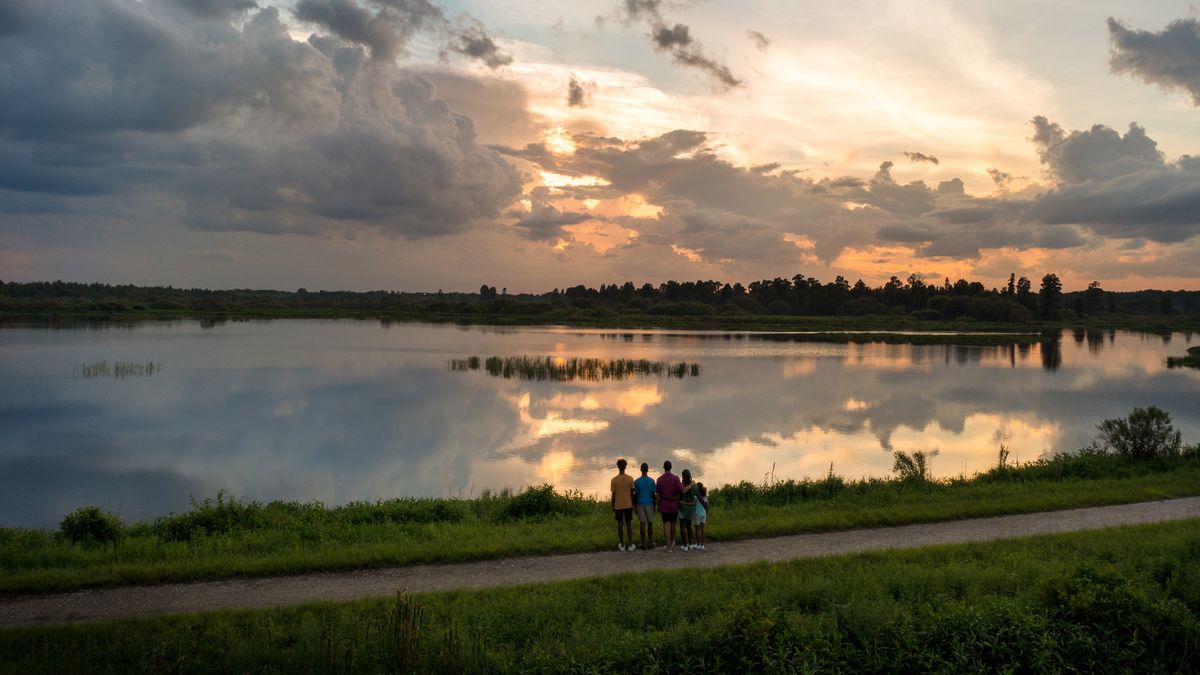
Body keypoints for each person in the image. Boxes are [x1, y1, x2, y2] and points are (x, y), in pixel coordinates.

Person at [655, 460, 683, 548]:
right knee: (673, 524)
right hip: (674, 505)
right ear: (671, 467)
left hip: (664, 505)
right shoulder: (676, 478)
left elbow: (658, 494)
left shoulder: (659, 479)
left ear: (664, 468)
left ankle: (667, 544)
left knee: (666, 525)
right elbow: (681, 490)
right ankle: (672, 541)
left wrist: (658, 505)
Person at [610, 458, 636, 551]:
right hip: (628, 505)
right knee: (629, 524)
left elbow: (613, 496)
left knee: (620, 524)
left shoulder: (614, 480)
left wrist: (613, 506)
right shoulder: (630, 479)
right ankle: (630, 544)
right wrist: (633, 504)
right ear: (625, 467)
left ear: (618, 467)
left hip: (618, 506)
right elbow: (632, 493)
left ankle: (622, 544)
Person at [633, 462, 657, 549]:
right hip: (649, 504)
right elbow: (653, 495)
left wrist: (635, 506)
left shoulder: (636, 481)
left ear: (640, 470)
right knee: (650, 524)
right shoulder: (651, 481)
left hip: (640, 504)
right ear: (647, 470)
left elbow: (636, 495)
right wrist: (654, 506)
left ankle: (643, 543)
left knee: (642, 524)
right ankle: (650, 543)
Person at [678, 469, 696, 550]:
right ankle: (690, 544)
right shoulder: (694, 486)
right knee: (689, 526)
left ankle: (685, 545)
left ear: (683, 476)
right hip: (690, 509)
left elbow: (678, 496)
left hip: (682, 509)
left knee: (683, 526)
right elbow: (698, 497)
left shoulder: (681, 485)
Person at [692, 482, 707, 550]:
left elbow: (693, 504)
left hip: (697, 514)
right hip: (704, 514)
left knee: (697, 530)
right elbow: (707, 505)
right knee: (702, 530)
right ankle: (702, 545)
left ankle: (698, 544)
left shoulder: (696, 497)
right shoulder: (705, 496)